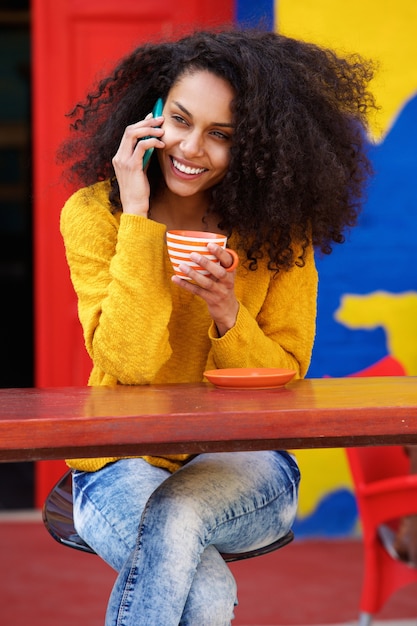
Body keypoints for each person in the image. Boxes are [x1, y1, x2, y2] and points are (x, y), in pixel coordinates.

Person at [58, 28, 376, 625]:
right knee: (202, 592)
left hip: (245, 462)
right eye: (180, 119)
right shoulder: (96, 214)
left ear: (256, 148)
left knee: (179, 513)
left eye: (221, 135)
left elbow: (285, 372)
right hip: (119, 464)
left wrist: (228, 313)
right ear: (150, 116)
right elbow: (127, 364)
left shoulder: (277, 232)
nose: (191, 147)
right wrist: (136, 218)